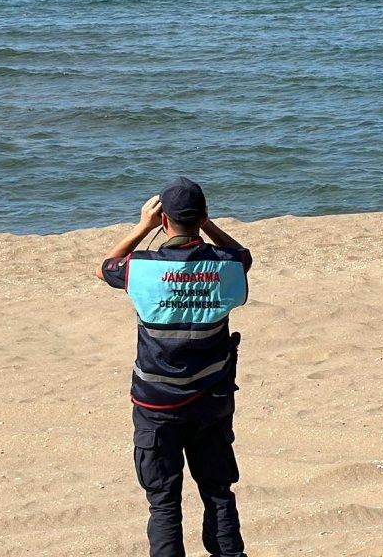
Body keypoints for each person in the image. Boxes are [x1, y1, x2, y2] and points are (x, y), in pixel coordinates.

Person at [95, 177, 253, 557]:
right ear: (202, 217)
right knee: (217, 492)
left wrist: (142, 227)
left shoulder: (142, 267)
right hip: (212, 399)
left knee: (164, 502)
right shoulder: (226, 266)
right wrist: (207, 225)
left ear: (164, 220)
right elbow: (243, 255)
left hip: (156, 403)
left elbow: (104, 267)